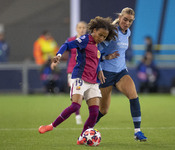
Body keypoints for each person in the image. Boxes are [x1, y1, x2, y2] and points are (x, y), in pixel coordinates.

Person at [38, 16, 118, 145]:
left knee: (94, 112)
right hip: (80, 77)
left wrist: (100, 70)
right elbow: (67, 45)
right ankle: (51, 126)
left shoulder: (98, 45)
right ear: (94, 30)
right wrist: (58, 55)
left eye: (104, 37)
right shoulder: (84, 40)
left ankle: (82, 138)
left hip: (93, 81)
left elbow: (96, 60)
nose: (102, 38)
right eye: (100, 35)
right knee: (75, 105)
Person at [96, 7, 147, 141]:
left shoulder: (128, 32)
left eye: (130, 21)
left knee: (133, 96)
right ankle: (86, 130)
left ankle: (137, 131)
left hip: (121, 72)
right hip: (106, 74)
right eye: (125, 19)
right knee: (103, 110)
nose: (127, 23)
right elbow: (95, 52)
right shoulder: (111, 32)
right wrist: (106, 59)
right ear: (119, 17)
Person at [63, 21, 87, 125]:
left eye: (84, 28)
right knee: (76, 95)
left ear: (86, 29)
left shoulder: (88, 41)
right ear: (76, 29)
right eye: (80, 27)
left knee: (84, 95)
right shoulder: (70, 40)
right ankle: (77, 115)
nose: (82, 29)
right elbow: (64, 51)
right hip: (72, 71)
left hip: (85, 71)